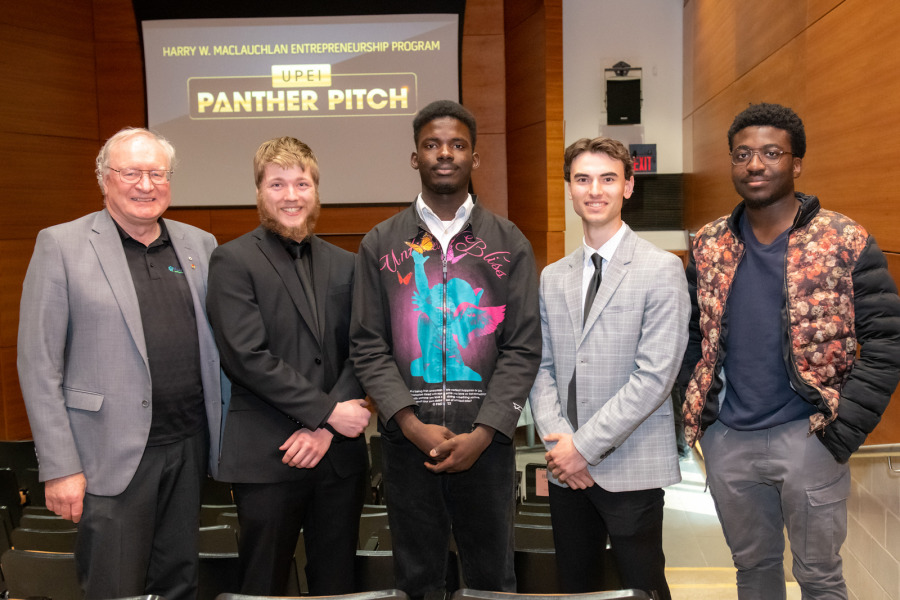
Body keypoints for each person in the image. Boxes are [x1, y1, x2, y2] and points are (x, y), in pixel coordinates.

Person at [680, 102, 900, 599]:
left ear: (796, 163)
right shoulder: (709, 245)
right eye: (743, 154)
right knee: (753, 572)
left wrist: (841, 431)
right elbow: (694, 335)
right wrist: (701, 420)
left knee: (819, 578)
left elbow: (886, 339)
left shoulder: (844, 240)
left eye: (771, 153)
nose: (755, 164)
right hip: (729, 441)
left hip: (810, 437)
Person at [16, 127, 222, 600]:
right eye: (131, 172)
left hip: (188, 446)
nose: (145, 185)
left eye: (157, 173)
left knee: (179, 583)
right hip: (107, 455)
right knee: (115, 588)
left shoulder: (200, 245)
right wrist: (60, 467)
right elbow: (38, 364)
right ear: (104, 179)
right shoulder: (61, 245)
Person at [350, 100, 542, 600]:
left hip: (488, 445)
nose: (445, 154)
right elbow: (368, 345)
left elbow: (523, 347)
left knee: (492, 582)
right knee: (416, 582)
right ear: (415, 157)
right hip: (407, 444)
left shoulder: (510, 242)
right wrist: (409, 424)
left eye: (457, 145)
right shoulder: (380, 243)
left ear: (474, 157)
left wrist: (484, 432)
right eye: (432, 144)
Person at [206, 136, 371, 595]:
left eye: (302, 183)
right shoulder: (231, 261)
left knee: (337, 583)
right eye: (277, 184)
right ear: (259, 192)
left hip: (338, 456)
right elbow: (246, 357)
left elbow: (365, 349)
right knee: (263, 584)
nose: (291, 195)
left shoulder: (349, 264)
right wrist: (328, 412)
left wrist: (326, 426)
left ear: (316, 191)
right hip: (267, 453)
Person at [529, 137, 689, 599]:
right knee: (575, 589)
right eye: (582, 179)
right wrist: (561, 443)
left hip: (631, 465)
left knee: (642, 589)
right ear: (569, 189)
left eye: (607, 178)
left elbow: (655, 377)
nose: (594, 189)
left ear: (628, 187)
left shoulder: (661, 269)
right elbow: (543, 367)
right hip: (566, 470)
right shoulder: (552, 275)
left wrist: (584, 446)